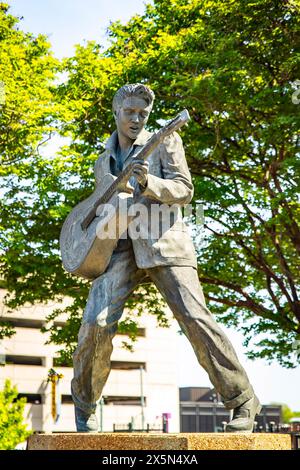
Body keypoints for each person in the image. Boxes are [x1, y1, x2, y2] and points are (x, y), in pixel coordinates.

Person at [71, 83, 261, 432]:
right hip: (120, 248)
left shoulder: (164, 140)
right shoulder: (103, 160)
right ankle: (85, 407)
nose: (136, 118)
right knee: (94, 325)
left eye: (142, 113)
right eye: (130, 112)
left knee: (195, 320)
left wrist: (150, 183)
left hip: (164, 242)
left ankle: (243, 400)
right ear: (116, 112)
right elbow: (103, 201)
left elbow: (184, 189)